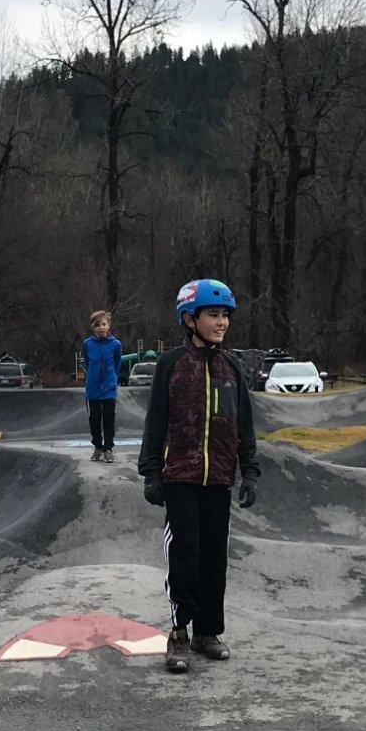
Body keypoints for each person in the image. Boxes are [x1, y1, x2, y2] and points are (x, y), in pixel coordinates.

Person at [136, 278, 260, 674]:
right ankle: (179, 634)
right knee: (184, 557)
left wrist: (249, 471)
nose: (221, 322)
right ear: (189, 319)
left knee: (214, 559)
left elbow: (245, 426)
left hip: (219, 479)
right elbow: (156, 422)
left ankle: (209, 631)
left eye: (225, 315)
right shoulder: (171, 365)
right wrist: (151, 472)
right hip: (181, 477)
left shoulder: (232, 368)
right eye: (213, 314)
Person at [82, 310, 122, 463]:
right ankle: (98, 446)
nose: (101, 327)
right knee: (94, 419)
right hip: (92, 389)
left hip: (109, 389)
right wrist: (92, 378)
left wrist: (111, 379)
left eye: (103, 324)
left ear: (108, 326)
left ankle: (108, 448)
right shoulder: (87, 344)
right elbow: (87, 363)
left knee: (109, 420)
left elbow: (117, 364)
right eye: (97, 325)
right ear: (93, 327)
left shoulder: (115, 344)